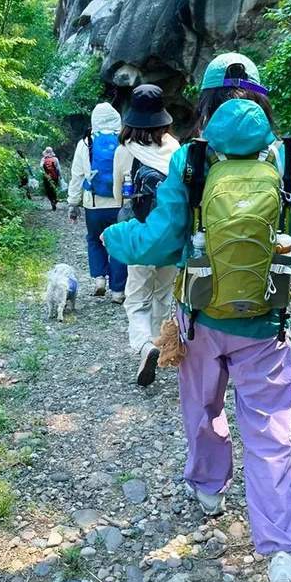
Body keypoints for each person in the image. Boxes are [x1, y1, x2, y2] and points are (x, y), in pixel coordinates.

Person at [103, 53, 291, 582]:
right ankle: (282, 557)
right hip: (265, 323)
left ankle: (208, 488)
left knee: (202, 408)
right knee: (270, 435)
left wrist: (115, 240)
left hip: (198, 316)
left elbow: (158, 241)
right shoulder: (287, 157)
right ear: (261, 100)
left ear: (206, 102)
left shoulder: (192, 160)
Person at [113, 85, 180, 386]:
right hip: (170, 235)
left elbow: (119, 196)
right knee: (163, 294)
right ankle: (160, 345)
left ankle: (144, 346)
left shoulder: (124, 150)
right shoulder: (175, 148)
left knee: (137, 298)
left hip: (140, 235)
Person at [67, 102, 127, 302]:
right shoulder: (125, 141)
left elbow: (77, 175)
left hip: (93, 204)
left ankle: (100, 279)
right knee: (118, 243)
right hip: (119, 204)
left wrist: (73, 202)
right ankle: (118, 292)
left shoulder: (85, 143)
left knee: (94, 240)